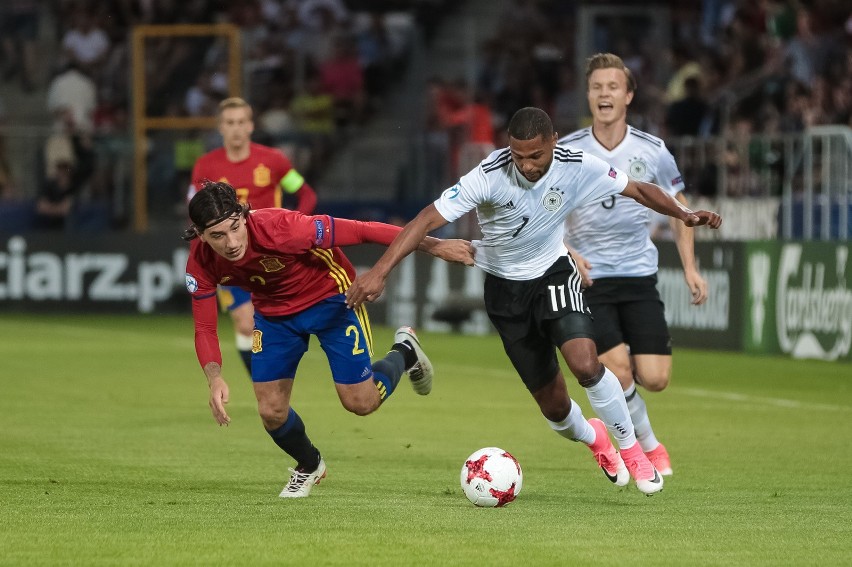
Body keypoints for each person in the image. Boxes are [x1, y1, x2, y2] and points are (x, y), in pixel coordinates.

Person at [345, 107, 722, 496]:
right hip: (505, 292)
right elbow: (425, 219)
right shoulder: (489, 175)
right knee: (555, 409)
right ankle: (596, 440)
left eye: (535, 156)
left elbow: (640, 189)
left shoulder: (577, 165)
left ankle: (633, 452)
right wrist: (380, 272)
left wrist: (684, 213)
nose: (525, 165)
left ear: (553, 143)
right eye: (518, 155)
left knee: (586, 364)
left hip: (554, 274)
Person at [183, 181, 473, 498]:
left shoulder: (284, 227)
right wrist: (214, 377)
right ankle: (309, 465)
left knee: (360, 403)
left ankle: (404, 352)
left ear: (243, 214)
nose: (231, 243)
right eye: (217, 236)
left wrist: (434, 246)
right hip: (274, 316)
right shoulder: (201, 262)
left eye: (235, 228)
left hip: (333, 298)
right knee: (270, 411)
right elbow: (205, 328)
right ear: (200, 235)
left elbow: (363, 231)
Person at [559, 53, 711, 477]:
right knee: (618, 371)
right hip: (589, 280)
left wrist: (691, 268)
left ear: (628, 95)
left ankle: (629, 419)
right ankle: (648, 447)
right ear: (588, 95)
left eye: (612, 87)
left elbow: (681, 211)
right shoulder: (568, 151)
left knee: (655, 377)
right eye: (596, 87)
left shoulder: (652, 150)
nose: (604, 93)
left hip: (639, 277)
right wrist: (566, 251)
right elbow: (543, 211)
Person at [189, 97, 319, 377]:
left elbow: (306, 193)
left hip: (269, 253)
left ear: (250, 126)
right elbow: (196, 213)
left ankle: (272, 381)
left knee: (277, 320)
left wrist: (296, 229)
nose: (236, 128)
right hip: (230, 256)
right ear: (220, 128)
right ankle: (262, 382)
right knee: (246, 323)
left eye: (241, 122)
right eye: (229, 123)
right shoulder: (205, 168)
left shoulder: (274, 161)